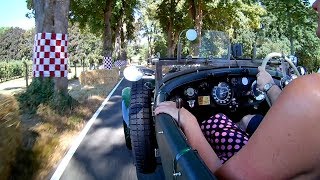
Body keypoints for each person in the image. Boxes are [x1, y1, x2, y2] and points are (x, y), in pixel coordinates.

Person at [154, 1, 320, 178]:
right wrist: (271, 86)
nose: (314, 4)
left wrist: (188, 119)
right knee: (242, 119)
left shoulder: (309, 93)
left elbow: (223, 177)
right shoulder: (308, 94)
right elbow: (294, 117)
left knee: (215, 121)